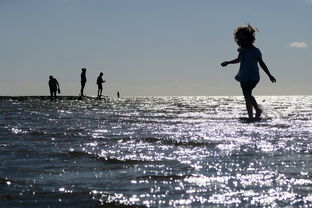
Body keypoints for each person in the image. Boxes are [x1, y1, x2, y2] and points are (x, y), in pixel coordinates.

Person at [221, 24, 276, 119]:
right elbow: (238, 60)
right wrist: (228, 62)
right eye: (239, 40)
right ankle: (250, 116)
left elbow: (262, 63)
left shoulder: (255, 51)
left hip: (253, 76)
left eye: (243, 40)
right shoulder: (242, 50)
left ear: (249, 39)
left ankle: (258, 110)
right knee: (246, 97)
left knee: (247, 94)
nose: (241, 42)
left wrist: (269, 75)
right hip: (243, 75)